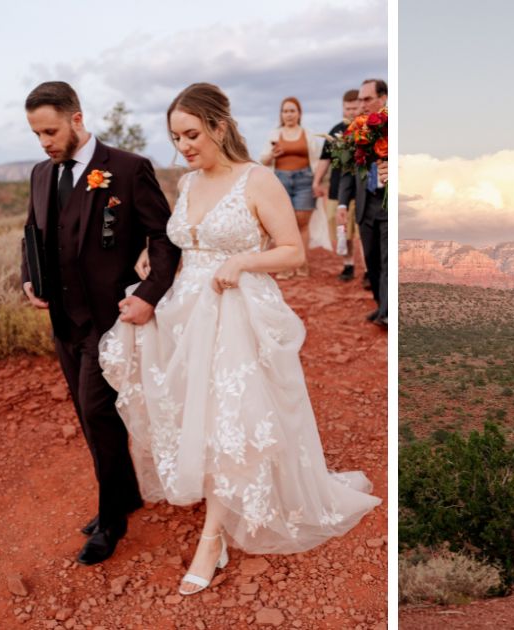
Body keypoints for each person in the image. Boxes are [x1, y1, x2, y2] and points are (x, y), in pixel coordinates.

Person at [97, 83, 381, 596]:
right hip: (186, 310)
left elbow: (292, 251)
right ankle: (217, 506)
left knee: (231, 417)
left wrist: (243, 259)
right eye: (175, 137)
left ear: (219, 127)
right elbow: (183, 242)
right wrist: (150, 260)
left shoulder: (258, 180)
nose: (183, 145)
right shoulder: (186, 184)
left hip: (236, 310)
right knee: (193, 412)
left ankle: (212, 538)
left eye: (191, 134)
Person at [19, 81, 181, 566]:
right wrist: (31, 278)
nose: (44, 142)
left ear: (77, 119)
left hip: (110, 321)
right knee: (87, 414)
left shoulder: (128, 169)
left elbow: (164, 238)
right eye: (36, 134)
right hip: (63, 321)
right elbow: (33, 230)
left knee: (98, 413)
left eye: (50, 130)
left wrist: (150, 295)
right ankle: (126, 495)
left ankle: (112, 520)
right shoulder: (40, 174)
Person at [336, 78, 389, 327]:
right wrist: (343, 204)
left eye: (367, 99)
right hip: (366, 205)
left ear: (383, 98)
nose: (362, 104)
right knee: (372, 259)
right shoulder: (356, 130)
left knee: (388, 260)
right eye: (360, 100)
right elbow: (348, 172)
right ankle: (381, 307)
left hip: (388, 205)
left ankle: (388, 313)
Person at [259, 96, 321, 278]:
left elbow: (318, 160)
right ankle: (285, 265)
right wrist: (272, 154)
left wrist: (317, 182)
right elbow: (263, 160)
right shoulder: (274, 135)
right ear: (281, 114)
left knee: (302, 221)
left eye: (292, 111)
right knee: (282, 223)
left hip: (305, 179)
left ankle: (301, 262)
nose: (289, 114)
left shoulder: (308, 134)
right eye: (285, 111)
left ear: (299, 113)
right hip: (280, 180)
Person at [312, 88, 363, 282]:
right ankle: (348, 264)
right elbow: (324, 160)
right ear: (343, 107)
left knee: (361, 231)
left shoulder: (366, 129)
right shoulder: (335, 132)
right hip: (336, 189)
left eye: (354, 107)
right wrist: (316, 182)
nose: (351, 111)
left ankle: (368, 270)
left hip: (360, 189)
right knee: (343, 231)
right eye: (347, 108)